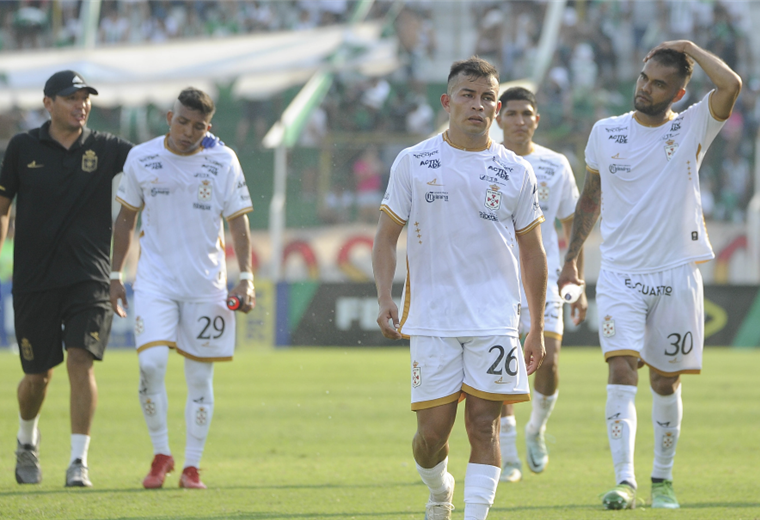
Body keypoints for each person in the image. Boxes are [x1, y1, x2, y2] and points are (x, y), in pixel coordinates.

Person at [558, 41, 742, 510]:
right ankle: (626, 481)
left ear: (678, 93)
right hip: (621, 273)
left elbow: (730, 84)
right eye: (644, 78)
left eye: (659, 84)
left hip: (677, 272)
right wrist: (572, 258)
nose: (646, 88)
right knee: (621, 370)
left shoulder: (692, 126)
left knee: (665, 381)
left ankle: (663, 479)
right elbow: (591, 198)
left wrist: (688, 48)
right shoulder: (606, 131)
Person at [372, 57, 547, 520]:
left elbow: (533, 253)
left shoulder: (516, 172)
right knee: (431, 438)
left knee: (484, 424)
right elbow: (386, 238)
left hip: (495, 319)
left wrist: (536, 327)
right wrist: (386, 297)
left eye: (487, 97)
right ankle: (438, 490)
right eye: (468, 95)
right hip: (433, 318)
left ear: (496, 107)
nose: (478, 105)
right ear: (447, 102)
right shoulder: (414, 161)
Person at [109, 87, 255, 490]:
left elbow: (238, 223)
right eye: (182, 121)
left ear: (208, 127)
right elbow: (125, 221)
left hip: (207, 287)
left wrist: (246, 278)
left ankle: (192, 466)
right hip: (155, 282)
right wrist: (115, 275)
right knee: (151, 365)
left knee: (200, 381)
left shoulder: (223, 160)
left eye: (198, 126)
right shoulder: (142, 157)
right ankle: (161, 453)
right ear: (168, 116)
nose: (188, 131)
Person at [0, 70, 132, 487]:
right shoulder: (21, 148)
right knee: (38, 377)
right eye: (72, 98)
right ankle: (26, 440)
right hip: (34, 279)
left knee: (81, 361)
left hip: (90, 278)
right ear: (48, 104)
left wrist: (200, 144)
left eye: (85, 98)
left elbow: (155, 160)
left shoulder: (108, 148)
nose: (81, 105)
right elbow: (3, 206)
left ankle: (79, 462)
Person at [494, 87, 587, 483]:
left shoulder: (555, 165)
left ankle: (537, 429)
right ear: (499, 118)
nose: (518, 121)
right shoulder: (486, 162)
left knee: (548, 362)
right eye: (511, 113)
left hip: (543, 280)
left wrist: (577, 277)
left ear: (536, 119)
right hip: (495, 282)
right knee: (503, 369)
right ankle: (510, 456)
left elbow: (572, 225)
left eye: (525, 113)